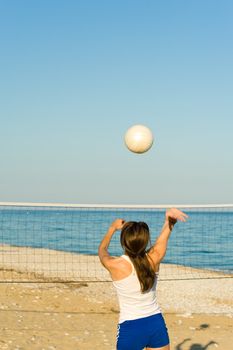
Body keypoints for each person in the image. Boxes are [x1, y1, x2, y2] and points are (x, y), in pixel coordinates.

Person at [98, 207, 188, 350]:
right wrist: (169, 221)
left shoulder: (115, 265)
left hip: (131, 328)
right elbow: (163, 238)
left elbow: (102, 250)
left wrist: (112, 229)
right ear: (145, 241)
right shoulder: (154, 257)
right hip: (155, 324)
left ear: (124, 242)